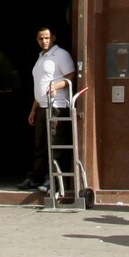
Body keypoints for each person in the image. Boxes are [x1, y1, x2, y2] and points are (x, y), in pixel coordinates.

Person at [21, 27, 75, 194]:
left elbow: (71, 75)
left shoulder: (61, 55)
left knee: (55, 144)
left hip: (56, 106)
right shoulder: (41, 57)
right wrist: (33, 109)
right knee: (40, 145)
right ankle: (36, 177)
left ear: (53, 38)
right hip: (42, 106)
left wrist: (56, 86)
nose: (44, 41)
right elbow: (40, 85)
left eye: (47, 38)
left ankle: (53, 180)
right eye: (40, 39)